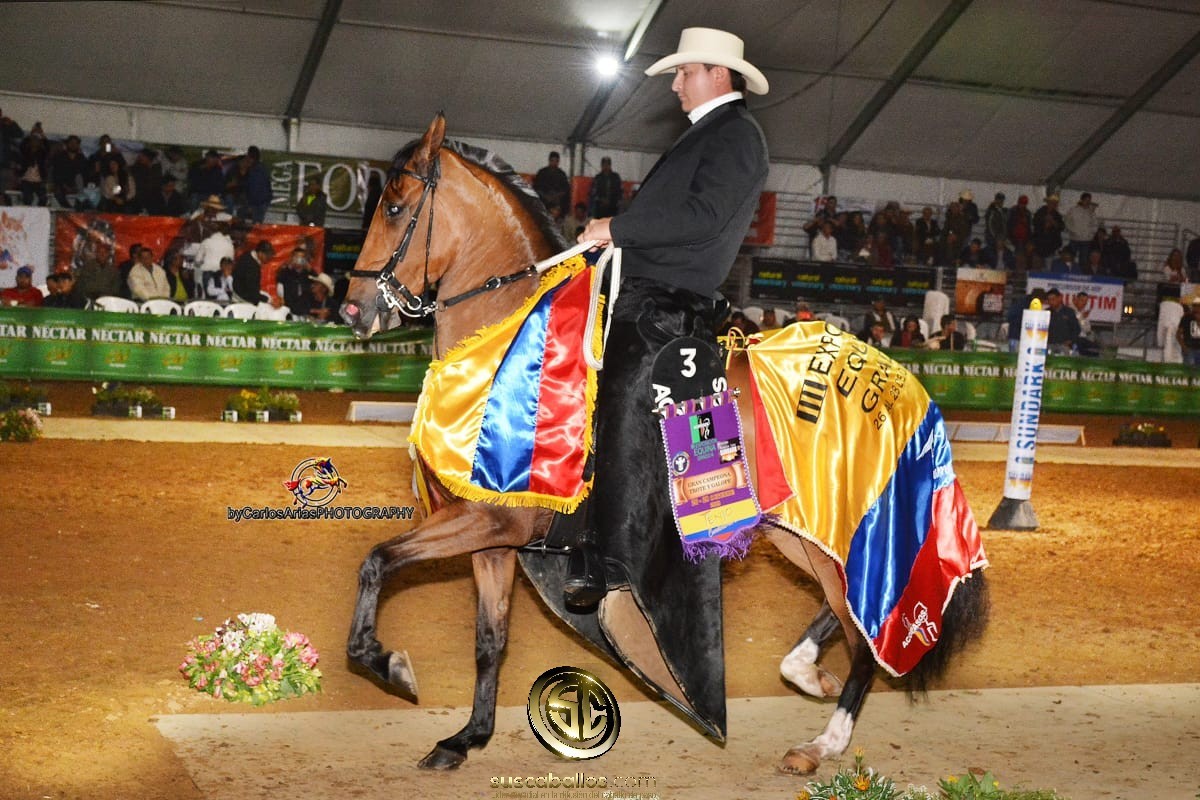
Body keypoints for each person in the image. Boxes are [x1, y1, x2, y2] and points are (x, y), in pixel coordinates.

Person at [567, 26, 770, 608]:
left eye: (685, 73)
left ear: (719, 76)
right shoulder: (713, 134)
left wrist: (618, 229)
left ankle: (615, 559)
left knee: (619, 403)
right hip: (646, 290)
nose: (676, 84)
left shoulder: (736, 135)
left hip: (668, 306)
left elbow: (702, 217)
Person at [50, 134, 88, 209]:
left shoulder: (81, 158)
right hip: (62, 185)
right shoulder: (60, 156)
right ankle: (68, 209)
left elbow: (85, 174)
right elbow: (56, 173)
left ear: (78, 145)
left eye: (75, 143)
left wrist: (75, 187)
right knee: (58, 193)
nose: (73, 145)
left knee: (86, 195)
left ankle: (78, 210)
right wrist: (65, 186)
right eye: (71, 143)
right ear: (67, 144)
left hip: (77, 186)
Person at [232, 240, 274, 304]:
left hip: (241, 292)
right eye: (267, 256)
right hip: (242, 298)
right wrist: (269, 301)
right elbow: (252, 291)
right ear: (260, 253)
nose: (269, 258)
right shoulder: (251, 266)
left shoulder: (248, 255)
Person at [1064, 192, 1100, 266]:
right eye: (1086, 200)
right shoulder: (1073, 210)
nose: (1088, 202)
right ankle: (1069, 272)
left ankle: (1082, 275)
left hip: (1086, 240)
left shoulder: (1091, 212)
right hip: (1075, 238)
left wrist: (1091, 234)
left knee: (1084, 259)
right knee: (1071, 257)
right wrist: (1073, 231)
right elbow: (1067, 221)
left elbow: (1095, 224)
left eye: (1089, 200)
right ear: (1082, 200)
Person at [1031, 194, 1065, 272]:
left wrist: (1053, 222)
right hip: (1038, 245)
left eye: (1055, 203)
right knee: (1036, 267)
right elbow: (1035, 223)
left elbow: (1062, 227)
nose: (1053, 205)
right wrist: (1044, 222)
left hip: (1050, 246)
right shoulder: (1040, 212)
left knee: (1048, 269)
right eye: (1052, 202)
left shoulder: (1057, 215)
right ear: (1048, 203)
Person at [532, 151, 571, 217]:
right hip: (543, 198)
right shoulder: (542, 172)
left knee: (565, 200)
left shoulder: (561, 174)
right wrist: (546, 196)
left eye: (556, 161)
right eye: (552, 161)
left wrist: (556, 196)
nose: (554, 163)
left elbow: (565, 189)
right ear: (549, 161)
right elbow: (536, 187)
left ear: (558, 162)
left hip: (557, 199)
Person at [1045, 288, 1079, 355]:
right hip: (1048, 345)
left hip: (1064, 346)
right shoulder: (1046, 312)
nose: (1051, 302)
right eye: (1049, 300)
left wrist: (1070, 341)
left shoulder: (1069, 312)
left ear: (1060, 298)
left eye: (1053, 299)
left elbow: (1076, 329)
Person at [1071, 291, 1100, 357]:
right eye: (1082, 300)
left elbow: (1087, 329)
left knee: (1095, 348)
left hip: (1083, 338)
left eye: (1086, 301)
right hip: (1074, 339)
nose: (1084, 303)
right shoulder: (1071, 310)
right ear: (1076, 300)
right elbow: (1078, 325)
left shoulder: (1083, 312)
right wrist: (1082, 318)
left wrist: (1082, 318)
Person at [1176, 297, 1200, 368]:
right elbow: (1178, 334)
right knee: (1188, 371)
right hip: (1189, 349)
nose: (1197, 308)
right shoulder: (1186, 318)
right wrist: (1184, 347)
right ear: (1193, 306)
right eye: (1195, 306)